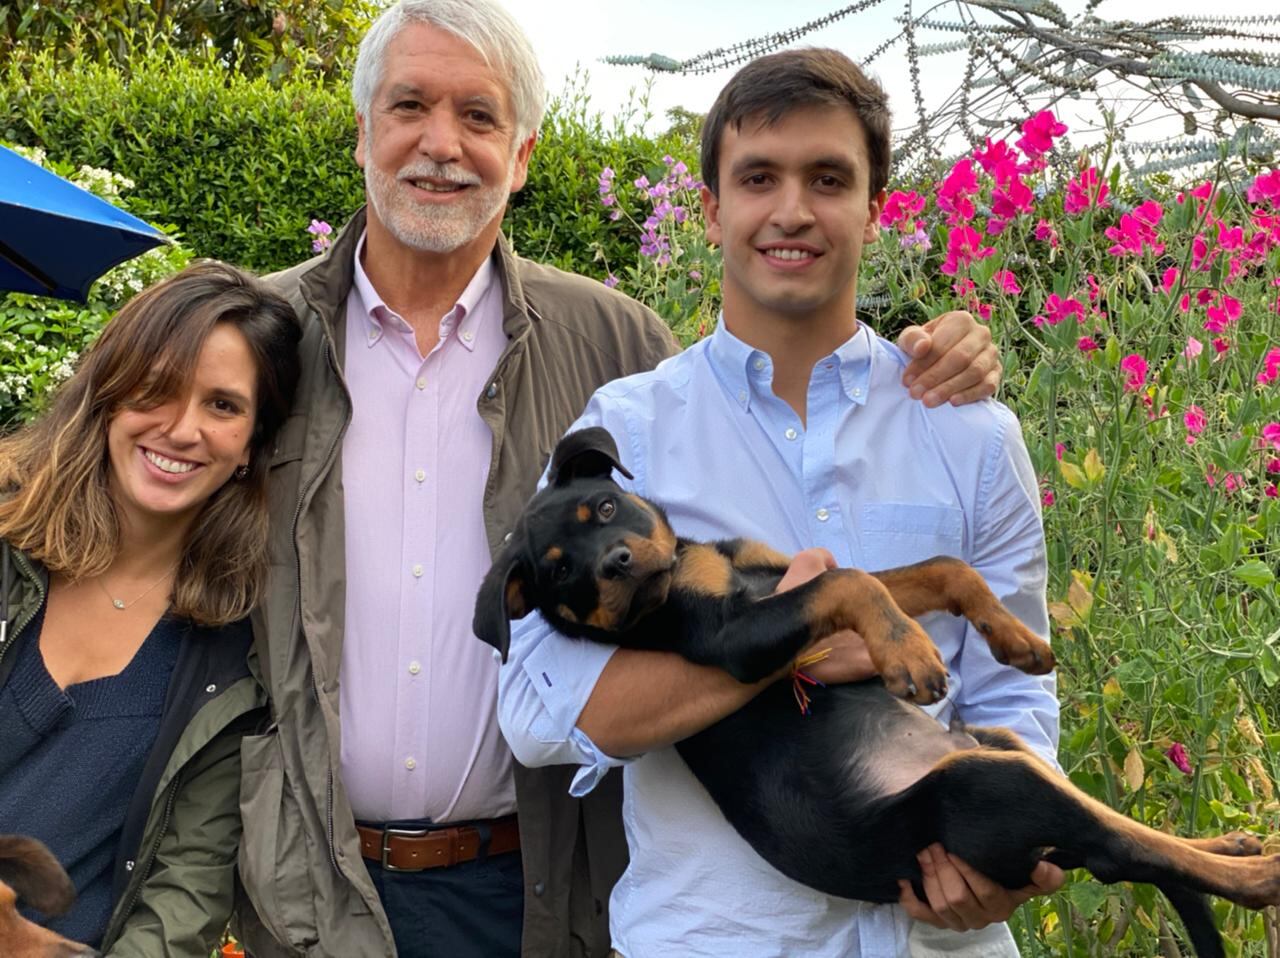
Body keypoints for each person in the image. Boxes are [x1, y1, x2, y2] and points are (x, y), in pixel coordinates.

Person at [235, 3, 1009, 957]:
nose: (441, 143)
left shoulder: (614, 345)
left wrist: (940, 354)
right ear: (363, 131)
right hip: (308, 882)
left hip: (537, 883)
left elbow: (758, 402)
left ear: (522, 154)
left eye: (478, 116)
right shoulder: (255, 340)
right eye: (409, 106)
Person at [497, 47, 1066, 958]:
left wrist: (1005, 865)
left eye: (828, 179)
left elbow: (1017, 693)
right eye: (758, 177)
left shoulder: (972, 433)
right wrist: (799, 636)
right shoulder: (629, 435)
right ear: (712, 208)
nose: (792, 210)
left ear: (876, 207)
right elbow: (538, 715)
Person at [0, 262, 301, 955]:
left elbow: (185, 889)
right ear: (109, 395)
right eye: (156, 389)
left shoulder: (235, 651)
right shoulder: (7, 550)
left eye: (222, 406)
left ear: (253, 443)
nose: (181, 428)